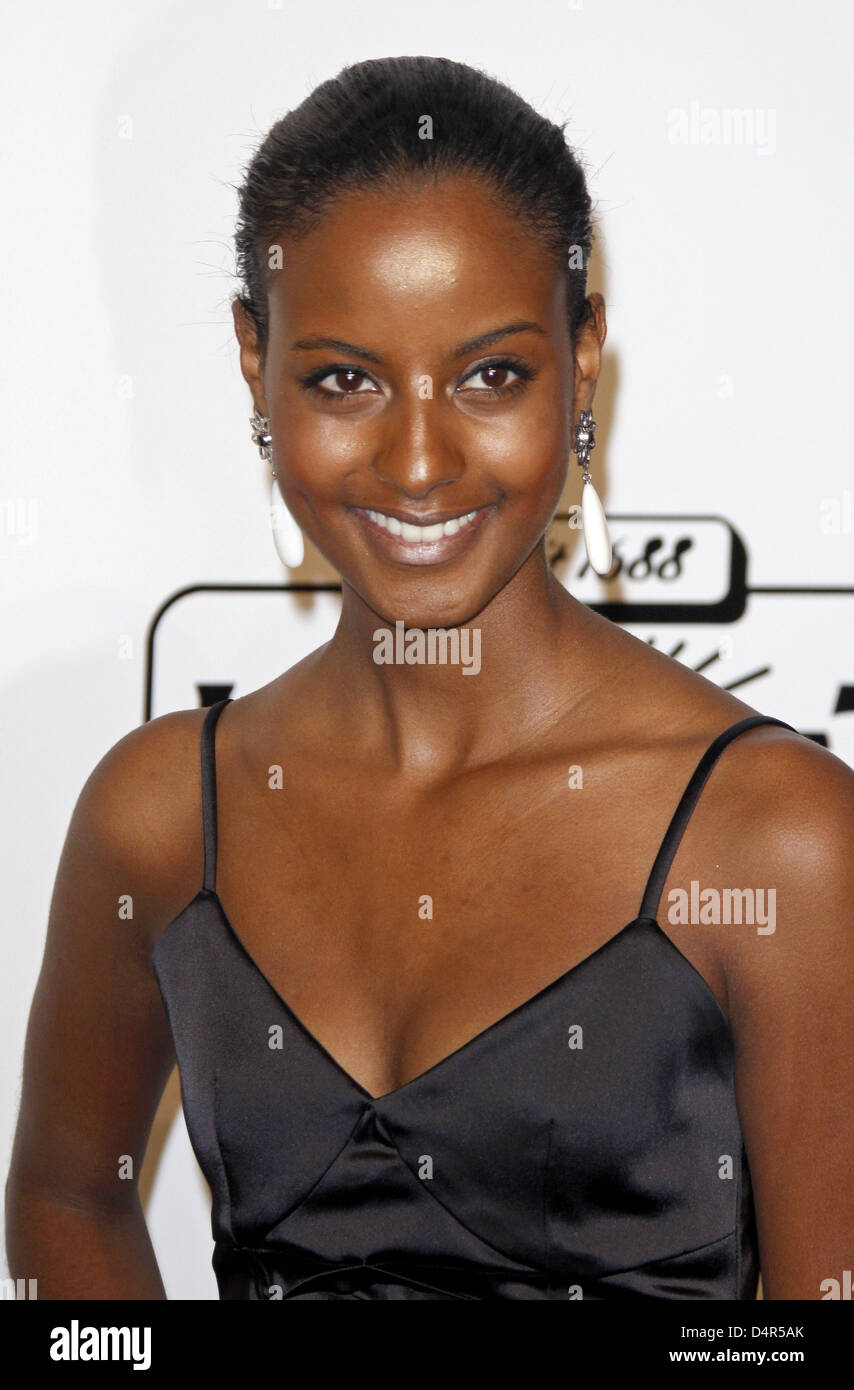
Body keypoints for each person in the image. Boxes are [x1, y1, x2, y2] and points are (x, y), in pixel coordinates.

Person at [6, 56, 853, 1301]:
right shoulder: (158, 819)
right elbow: (64, 1193)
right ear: (256, 365)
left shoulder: (776, 840)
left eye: (489, 375)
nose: (415, 459)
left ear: (582, 358)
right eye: (344, 379)